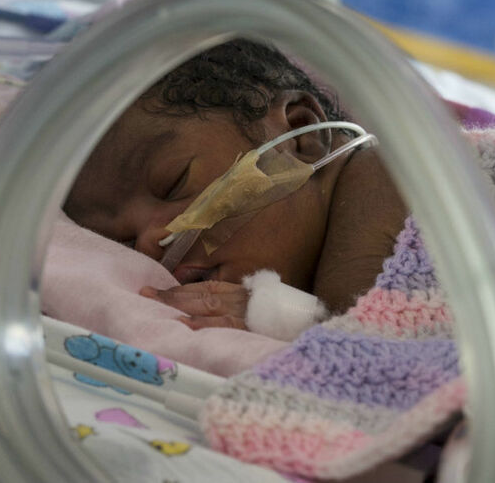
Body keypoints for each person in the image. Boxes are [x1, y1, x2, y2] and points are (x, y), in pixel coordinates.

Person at [64, 39, 409, 333]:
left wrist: (279, 316)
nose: (150, 242)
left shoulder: (383, 178)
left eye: (173, 184)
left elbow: (374, 350)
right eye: (124, 242)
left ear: (302, 132)